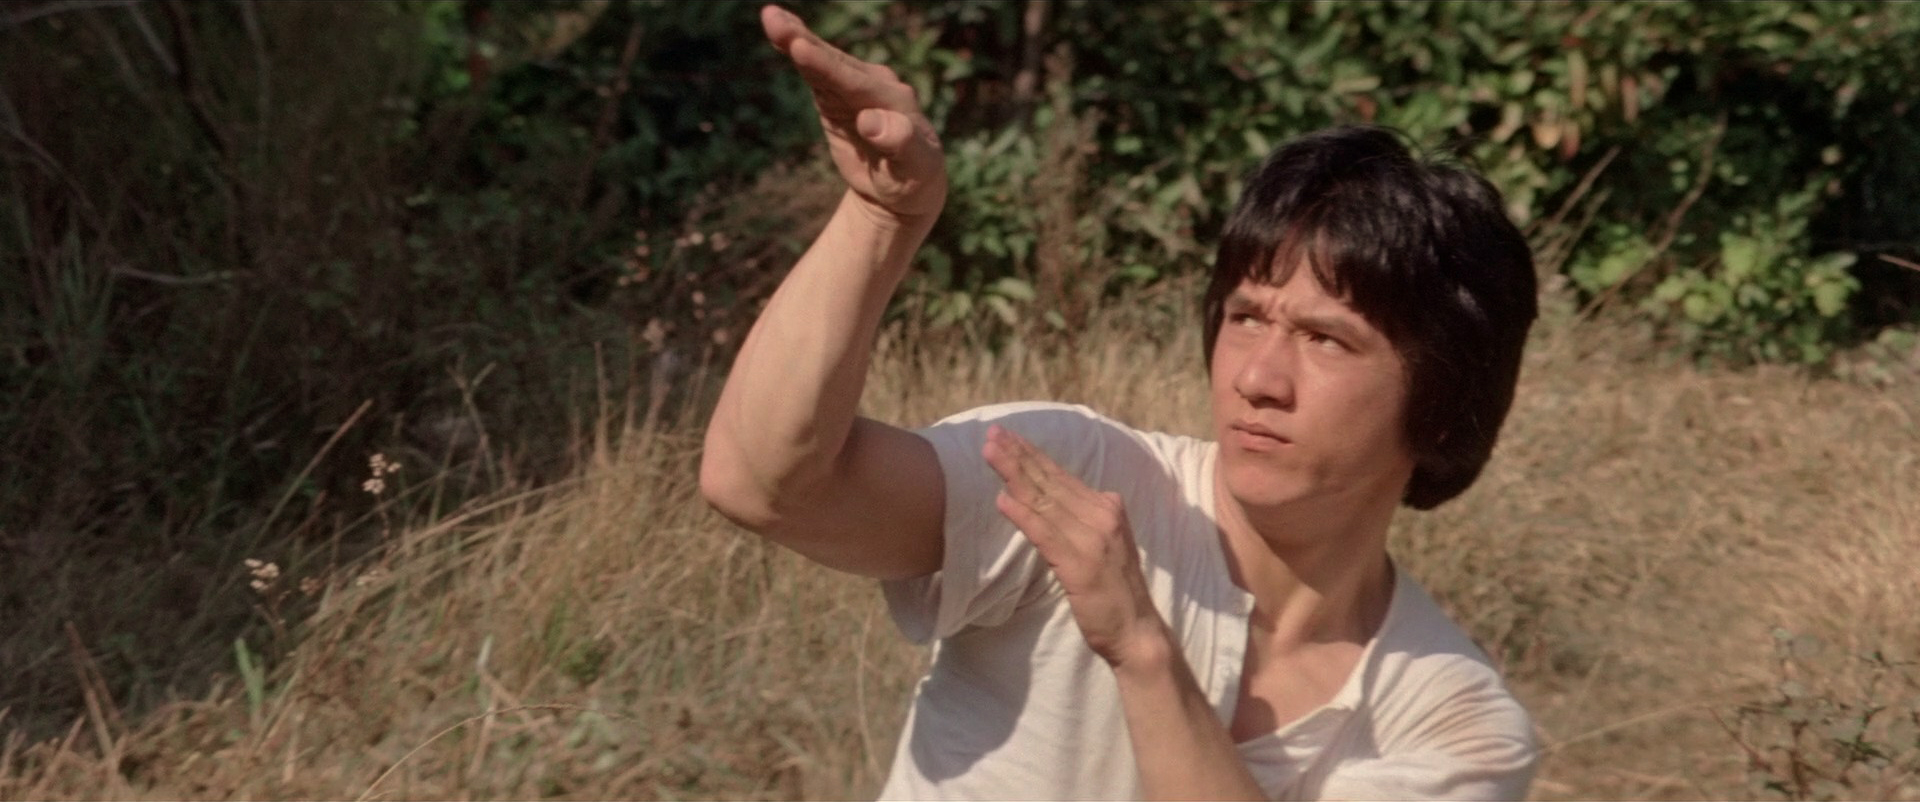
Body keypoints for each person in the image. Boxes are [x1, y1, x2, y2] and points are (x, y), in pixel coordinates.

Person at [700, 5, 1540, 799]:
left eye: (1326, 339)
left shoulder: (1452, 722)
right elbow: (765, 483)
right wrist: (884, 215)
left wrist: (1140, 648)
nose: (1259, 378)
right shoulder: (1082, 484)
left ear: (1441, 403)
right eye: (1246, 317)